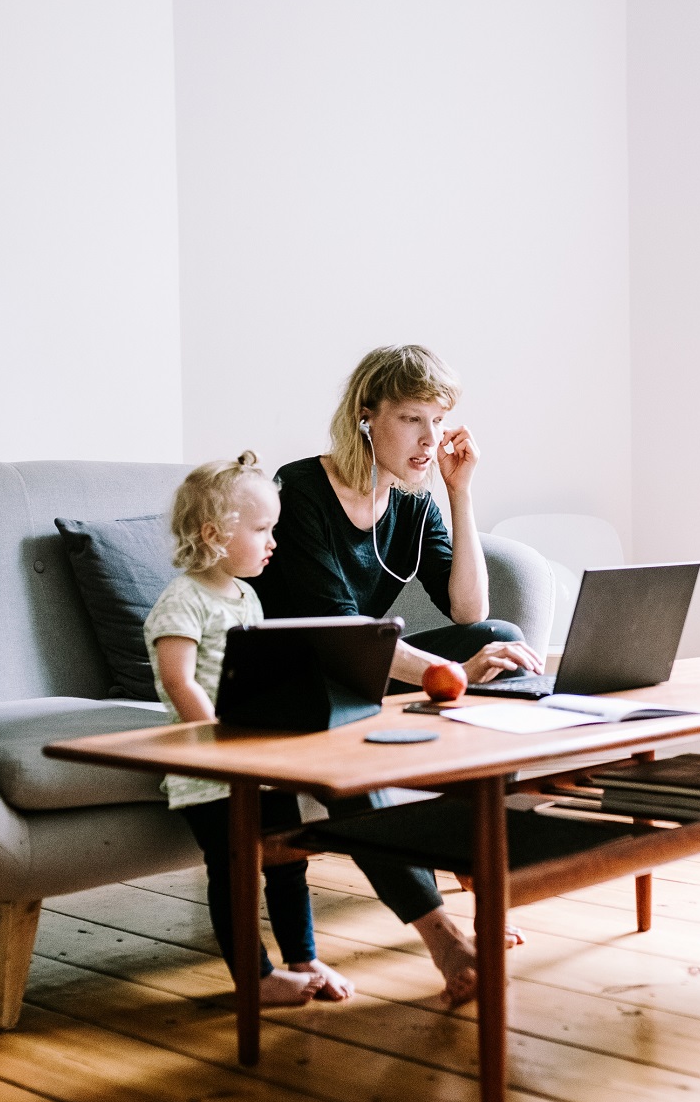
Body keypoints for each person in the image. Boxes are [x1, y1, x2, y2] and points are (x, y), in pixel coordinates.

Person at [249, 344, 543, 1004]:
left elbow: (470, 608)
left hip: (360, 670)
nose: (429, 439)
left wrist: (458, 491)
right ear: (366, 415)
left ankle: (479, 874)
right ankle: (443, 938)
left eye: (438, 421)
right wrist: (446, 670)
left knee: (501, 639)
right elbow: (337, 632)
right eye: (413, 419)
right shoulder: (300, 492)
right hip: (301, 676)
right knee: (358, 715)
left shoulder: (412, 505)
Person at [145, 452, 354, 1006]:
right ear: (214, 534)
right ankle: (254, 978)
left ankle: (304, 959)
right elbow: (177, 679)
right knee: (236, 870)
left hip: (259, 762)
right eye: (262, 529)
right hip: (212, 770)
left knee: (288, 861)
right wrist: (216, 740)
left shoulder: (247, 596)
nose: (273, 542)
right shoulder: (183, 600)